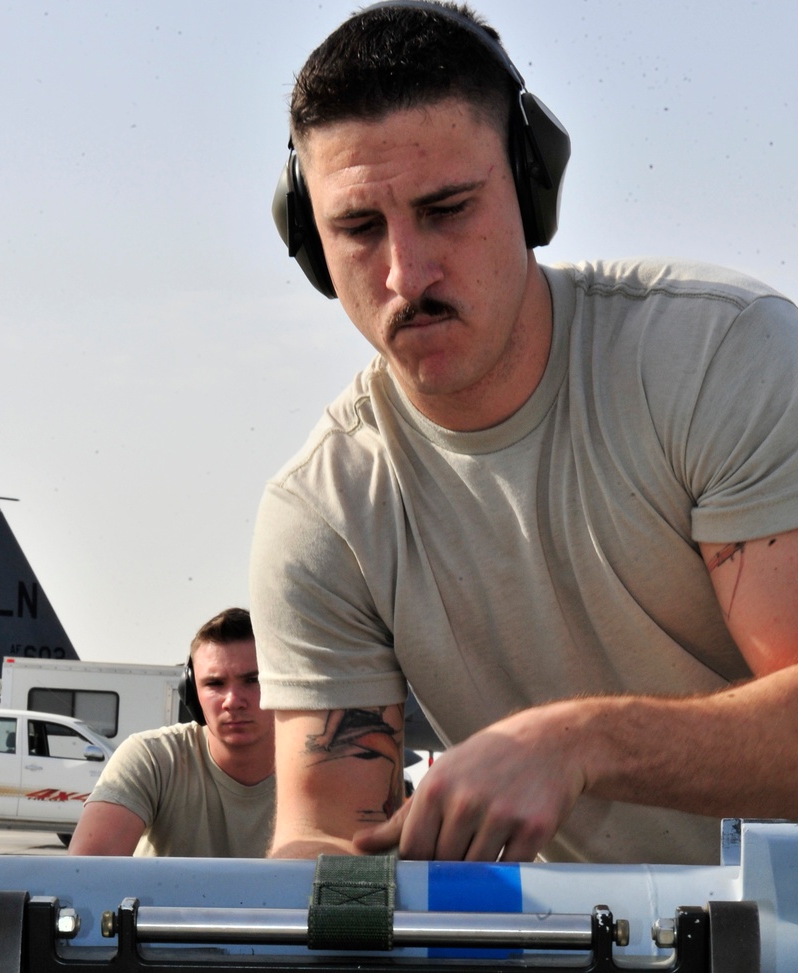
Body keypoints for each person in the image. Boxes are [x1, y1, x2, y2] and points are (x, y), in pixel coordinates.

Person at [250, 0, 798, 865]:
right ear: (310, 245)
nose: (406, 273)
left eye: (447, 209)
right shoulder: (323, 513)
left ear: (532, 187)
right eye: (357, 228)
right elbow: (325, 838)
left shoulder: (716, 356)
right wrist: (336, 899)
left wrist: (583, 742)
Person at [69, 608, 275, 857]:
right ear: (191, 693)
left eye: (253, 680)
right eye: (214, 684)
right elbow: (87, 874)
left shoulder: (321, 771)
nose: (232, 701)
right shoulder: (153, 758)